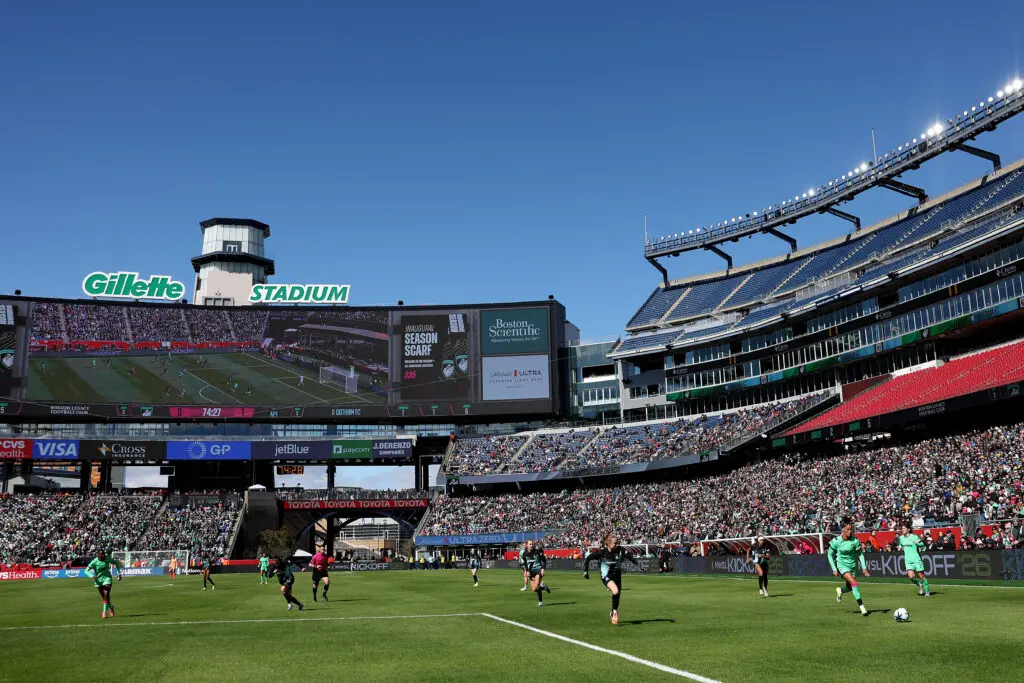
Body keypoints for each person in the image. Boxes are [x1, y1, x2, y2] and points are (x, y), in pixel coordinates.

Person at [584, 533, 638, 625]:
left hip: (617, 576)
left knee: (617, 596)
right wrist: (586, 571)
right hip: (606, 576)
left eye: (617, 543)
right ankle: (615, 613)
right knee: (615, 591)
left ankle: (613, 611)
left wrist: (634, 561)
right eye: (614, 543)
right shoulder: (602, 552)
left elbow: (628, 555)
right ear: (608, 543)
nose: (616, 545)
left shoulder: (620, 550)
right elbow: (589, 558)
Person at [828, 517, 871, 616]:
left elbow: (860, 554)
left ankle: (840, 590)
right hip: (842, 565)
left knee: (850, 587)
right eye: (848, 529)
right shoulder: (836, 541)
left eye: (851, 529)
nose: (850, 531)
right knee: (855, 583)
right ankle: (862, 608)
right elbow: (829, 555)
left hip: (853, 565)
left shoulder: (855, 541)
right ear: (843, 529)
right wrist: (834, 569)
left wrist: (864, 568)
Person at [897, 522, 931, 597]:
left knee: (921, 576)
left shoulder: (914, 536)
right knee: (911, 577)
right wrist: (899, 547)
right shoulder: (901, 538)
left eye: (904, 528)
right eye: (902, 528)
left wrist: (917, 543)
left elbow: (922, 544)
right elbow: (900, 545)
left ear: (908, 529)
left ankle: (927, 591)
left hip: (916, 559)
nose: (902, 530)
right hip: (908, 560)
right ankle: (919, 585)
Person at [86, 549, 122, 619]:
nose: (103, 555)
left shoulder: (107, 559)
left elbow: (116, 563)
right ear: (98, 555)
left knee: (106, 595)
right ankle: (111, 607)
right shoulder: (94, 562)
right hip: (98, 581)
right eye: (102, 554)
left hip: (107, 578)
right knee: (104, 598)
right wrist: (92, 576)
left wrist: (119, 573)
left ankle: (104, 612)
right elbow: (86, 571)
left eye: (104, 554)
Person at [521, 540, 550, 607]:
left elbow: (544, 560)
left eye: (532, 544)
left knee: (537, 585)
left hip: (538, 570)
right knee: (534, 589)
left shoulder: (537, 551)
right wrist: (527, 571)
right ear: (527, 545)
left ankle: (540, 602)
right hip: (531, 572)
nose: (532, 545)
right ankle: (544, 588)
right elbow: (525, 563)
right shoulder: (524, 554)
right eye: (530, 544)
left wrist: (543, 569)